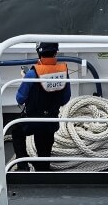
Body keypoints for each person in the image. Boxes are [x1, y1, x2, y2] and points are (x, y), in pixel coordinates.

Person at [11, 41, 71, 171]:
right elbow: (65, 99)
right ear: (56, 52)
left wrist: (25, 79)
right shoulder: (63, 73)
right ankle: (43, 169)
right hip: (51, 121)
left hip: (32, 121)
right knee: (44, 145)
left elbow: (20, 99)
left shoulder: (32, 74)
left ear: (39, 53)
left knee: (16, 131)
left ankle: (23, 165)